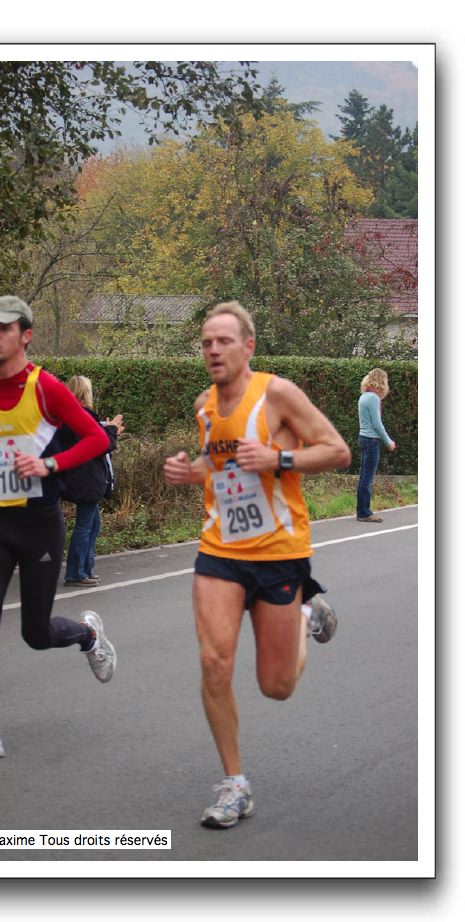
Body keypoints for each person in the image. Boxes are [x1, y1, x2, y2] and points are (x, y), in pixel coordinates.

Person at [163, 300, 351, 829]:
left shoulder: (278, 394)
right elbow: (217, 464)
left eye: (224, 341)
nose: (213, 350)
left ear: (248, 347)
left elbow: (337, 451)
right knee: (214, 661)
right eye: (206, 342)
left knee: (276, 686)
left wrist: (278, 459)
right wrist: (191, 470)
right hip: (219, 550)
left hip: (278, 553)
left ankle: (306, 616)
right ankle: (235, 784)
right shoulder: (204, 405)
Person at [0, 295, 117, 764]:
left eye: (3, 328)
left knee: (35, 633)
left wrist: (49, 464)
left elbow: (97, 439)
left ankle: (88, 636)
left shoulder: (47, 388)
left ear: (26, 335)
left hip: (39, 524)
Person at [59, 375, 124, 587]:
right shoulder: (83, 415)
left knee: (93, 523)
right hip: (86, 478)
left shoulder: (68, 415)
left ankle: (85, 569)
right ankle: (75, 573)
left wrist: (109, 430)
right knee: (85, 526)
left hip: (78, 476)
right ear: (85, 393)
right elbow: (100, 444)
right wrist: (112, 429)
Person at [356, 368, 396, 524]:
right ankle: (365, 513)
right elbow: (377, 424)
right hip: (371, 440)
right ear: (381, 382)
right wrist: (388, 441)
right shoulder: (373, 398)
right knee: (367, 477)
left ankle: (361, 511)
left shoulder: (364, 396)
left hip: (363, 438)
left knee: (364, 476)